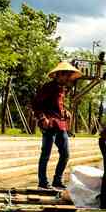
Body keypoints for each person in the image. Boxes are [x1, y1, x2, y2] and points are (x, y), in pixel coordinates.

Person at [32, 61, 82, 189]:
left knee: (65, 154)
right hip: (49, 126)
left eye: (70, 75)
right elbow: (36, 104)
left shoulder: (62, 89)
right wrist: (43, 118)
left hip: (60, 125)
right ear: (59, 75)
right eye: (67, 75)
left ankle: (57, 180)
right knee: (46, 154)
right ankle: (43, 182)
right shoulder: (48, 87)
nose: (68, 78)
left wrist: (65, 112)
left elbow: (56, 107)